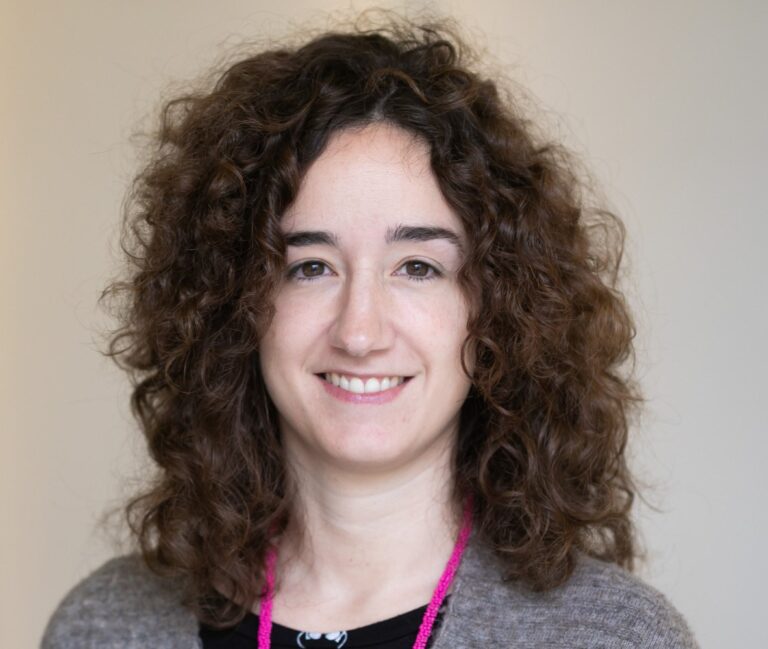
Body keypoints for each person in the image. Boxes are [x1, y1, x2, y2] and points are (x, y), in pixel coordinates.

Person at [42, 13, 699, 649]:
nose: (359, 332)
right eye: (310, 267)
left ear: (502, 306)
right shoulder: (104, 627)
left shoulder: (611, 637)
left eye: (417, 267)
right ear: (232, 302)